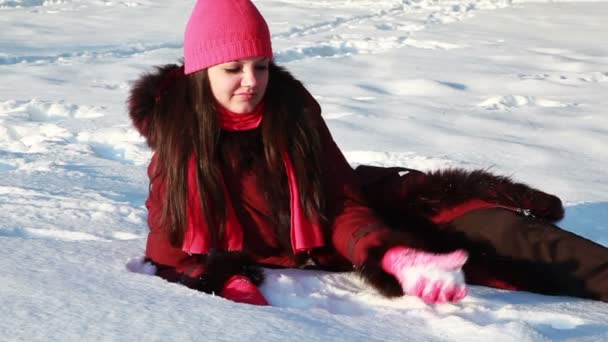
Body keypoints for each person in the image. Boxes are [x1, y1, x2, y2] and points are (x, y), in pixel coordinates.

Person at [128, 0, 608, 306]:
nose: (251, 81)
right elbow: (168, 252)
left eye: (261, 65)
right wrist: (227, 281)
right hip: (331, 251)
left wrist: (391, 254)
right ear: (201, 73)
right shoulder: (179, 147)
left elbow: (339, 203)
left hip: (370, 214)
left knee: (501, 231)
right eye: (233, 68)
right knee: (493, 266)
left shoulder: (292, 115)